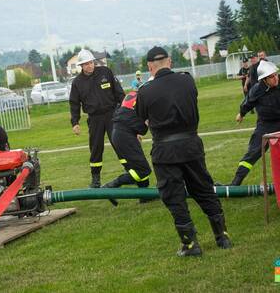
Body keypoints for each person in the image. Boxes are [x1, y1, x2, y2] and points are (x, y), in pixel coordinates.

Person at [136, 46, 232, 257]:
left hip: (165, 150)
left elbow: (141, 120)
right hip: (191, 145)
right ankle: (222, 236)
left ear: (150, 67)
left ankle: (190, 245)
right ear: (169, 62)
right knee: (204, 189)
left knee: (174, 196)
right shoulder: (187, 80)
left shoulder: (145, 91)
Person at [70, 49, 125, 188]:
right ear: (81, 66)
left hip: (113, 115)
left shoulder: (106, 72)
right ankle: (95, 180)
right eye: (86, 64)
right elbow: (74, 103)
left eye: (91, 62)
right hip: (95, 119)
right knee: (95, 148)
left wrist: (126, 111)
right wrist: (75, 122)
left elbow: (119, 92)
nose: (90, 65)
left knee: (120, 144)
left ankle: (130, 172)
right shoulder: (77, 82)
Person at [230, 61, 280, 186]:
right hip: (265, 125)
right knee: (253, 153)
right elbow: (247, 103)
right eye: (272, 76)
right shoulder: (257, 90)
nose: (276, 78)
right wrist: (241, 114)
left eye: (276, 75)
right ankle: (235, 183)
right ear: (264, 79)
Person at [102, 91, 152, 204]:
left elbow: (126, 114)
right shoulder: (147, 98)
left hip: (120, 132)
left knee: (138, 166)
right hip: (125, 135)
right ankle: (110, 186)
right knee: (143, 170)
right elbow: (146, 125)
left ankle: (145, 195)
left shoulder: (136, 94)